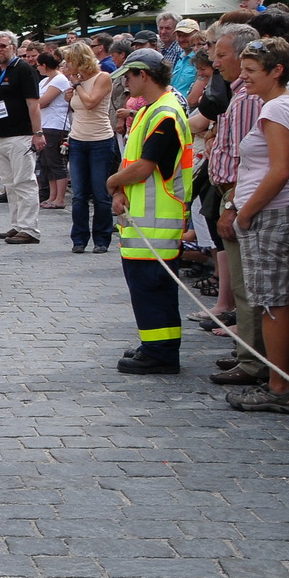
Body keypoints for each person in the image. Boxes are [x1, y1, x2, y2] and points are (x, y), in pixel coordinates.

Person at [224, 37, 289, 413]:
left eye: (251, 71)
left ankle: (279, 387)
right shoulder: (287, 105)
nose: (243, 79)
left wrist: (245, 213)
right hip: (280, 210)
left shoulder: (276, 109)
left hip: (270, 214)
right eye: (242, 70)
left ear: (277, 71)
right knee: (287, 301)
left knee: (272, 303)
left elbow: (278, 171)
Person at [105, 49, 193, 374]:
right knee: (147, 290)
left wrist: (112, 182)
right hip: (142, 219)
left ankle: (162, 354)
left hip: (157, 223)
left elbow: (144, 167)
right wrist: (121, 191)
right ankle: (155, 346)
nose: (125, 83)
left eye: (128, 76)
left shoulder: (165, 113)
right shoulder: (150, 110)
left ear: (145, 74)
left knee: (153, 289)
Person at [199, 23, 268, 384]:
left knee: (247, 284)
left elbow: (250, 160)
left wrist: (232, 205)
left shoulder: (248, 98)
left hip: (238, 195)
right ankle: (249, 352)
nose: (215, 59)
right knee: (244, 283)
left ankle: (254, 359)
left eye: (222, 53)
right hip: (232, 192)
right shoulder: (236, 94)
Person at [0, 31, 44, 243]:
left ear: (13, 47)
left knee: (24, 182)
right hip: (1, 135)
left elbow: (33, 104)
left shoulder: (23, 69)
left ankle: (29, 229)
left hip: (21, 135)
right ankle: (17, 224)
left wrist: (37, 133)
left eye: (3, 45)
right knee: (10, 184)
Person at [63, 43, 115, 254]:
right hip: (77, 139)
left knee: (100, 193)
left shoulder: (102, 77)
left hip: (100, 140)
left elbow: (91, 102)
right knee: (79, 194)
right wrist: (71, 94)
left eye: (69, 61)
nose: (66, 66)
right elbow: (77, 106)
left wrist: (77, 87)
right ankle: (79, 238)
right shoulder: (79, 82)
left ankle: (102, 238)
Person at [37, 52, 71, 210]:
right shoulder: (45, 81)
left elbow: (43, 101)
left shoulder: (60, 79)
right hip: (44, 124)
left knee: (56, 162)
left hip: (56, 125)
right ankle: (52, 195)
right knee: (46, 162)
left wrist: (34, 104)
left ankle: (60, 198)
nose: (37, 68)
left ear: (44, 65)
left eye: (38, 65)